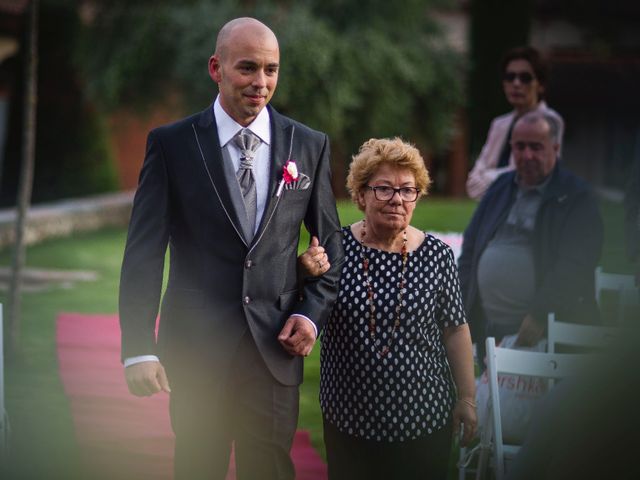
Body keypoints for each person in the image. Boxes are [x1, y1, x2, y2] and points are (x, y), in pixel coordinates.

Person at [119, 17, 344, 480]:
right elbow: (143, 254)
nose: (261, 83)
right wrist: (138, 347)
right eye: (247, 68)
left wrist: (309, 313)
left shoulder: (309, 144)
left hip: (274, 350)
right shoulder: (172, 144)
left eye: (271, 70)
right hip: (196, 351)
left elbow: (332, 247)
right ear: (216, 68)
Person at [302, 137, 477, 479]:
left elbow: (455, 328)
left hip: (424, 418)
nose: (397, 199)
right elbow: (306, 307)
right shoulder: (336, 249)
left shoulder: (437, 256)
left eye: (407, 190)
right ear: (361, 194)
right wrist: (302, 270)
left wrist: (467, 398)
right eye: (384, 189)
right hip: (348, 418)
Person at [458, 111, 603, 359]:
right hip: (488, 330)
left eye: (536, 147)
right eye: (520, 147)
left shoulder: (576, 197)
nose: (527, 155)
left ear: (555, 148)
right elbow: (471, 249)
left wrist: (540, 313)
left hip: (546, 334)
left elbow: (576, 264)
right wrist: (459, 309)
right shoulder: (500, 187)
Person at [466, 46, 565, 200]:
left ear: (540, 85)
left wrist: (488, 178)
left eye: (525, 78)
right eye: (510, 77)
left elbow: (529, 176)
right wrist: (505, 179)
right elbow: (472, 184)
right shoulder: (499, 124)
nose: (516, 83)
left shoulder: (549, 122)